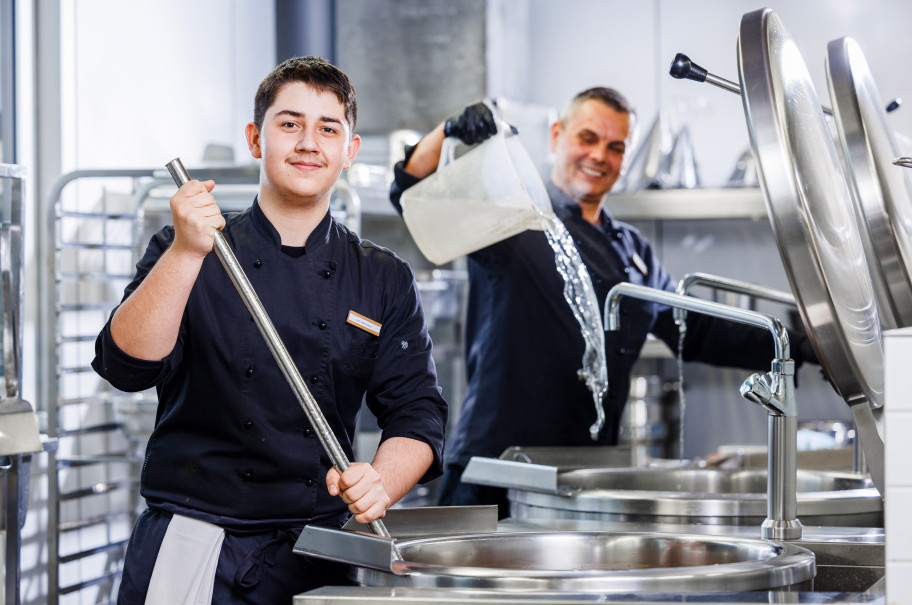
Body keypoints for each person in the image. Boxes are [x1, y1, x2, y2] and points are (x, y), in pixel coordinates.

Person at [93, 56, 448, 603]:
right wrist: (189, 252)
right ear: (256, 139)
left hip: (322, 550)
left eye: (328, 128)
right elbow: (126, 367)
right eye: (290, 124)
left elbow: (418, 413)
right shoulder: (184, 249)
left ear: (348, 152)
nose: (309, 142)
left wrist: (380, 481)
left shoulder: (382, 277)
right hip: (196, 542)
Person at [389, 88, 816, 518]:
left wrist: (800, 347)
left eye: (615, 147)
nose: (599, 156)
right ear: (557, 135)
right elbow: (409, 189)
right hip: (496, 472)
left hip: (584, 477)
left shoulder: (633, 251)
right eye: (587, 138)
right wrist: (448, 132)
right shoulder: (513, 217)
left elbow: (698, 331)